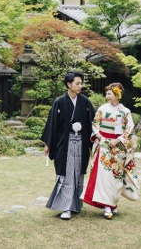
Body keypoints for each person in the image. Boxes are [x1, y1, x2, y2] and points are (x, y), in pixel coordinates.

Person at [40, 71, 96, 220]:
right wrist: (48, 144)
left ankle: (75, 205)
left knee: (78, 173)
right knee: (66, 173)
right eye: (77, 83)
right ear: (69, 84)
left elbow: (94, 122)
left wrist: (97, 139)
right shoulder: (59, 102)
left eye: (81, 83)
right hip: (65, 143)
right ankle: (66, 207)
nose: (80, 86)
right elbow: (52, 124)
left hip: (82, 142)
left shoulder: (85, 102)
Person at [82, 82, 139, 219]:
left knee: (116, 177)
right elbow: (95, 124)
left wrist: (118, 140)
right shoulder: (102, 109)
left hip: (118, 147)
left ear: (117, 94)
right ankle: (107, 207)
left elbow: (129, 129)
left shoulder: (125, 111)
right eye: (106, 93)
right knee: (105, 177)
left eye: (109, 93)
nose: (106, 96)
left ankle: (113, 204)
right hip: (104, 145)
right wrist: (99, 135)